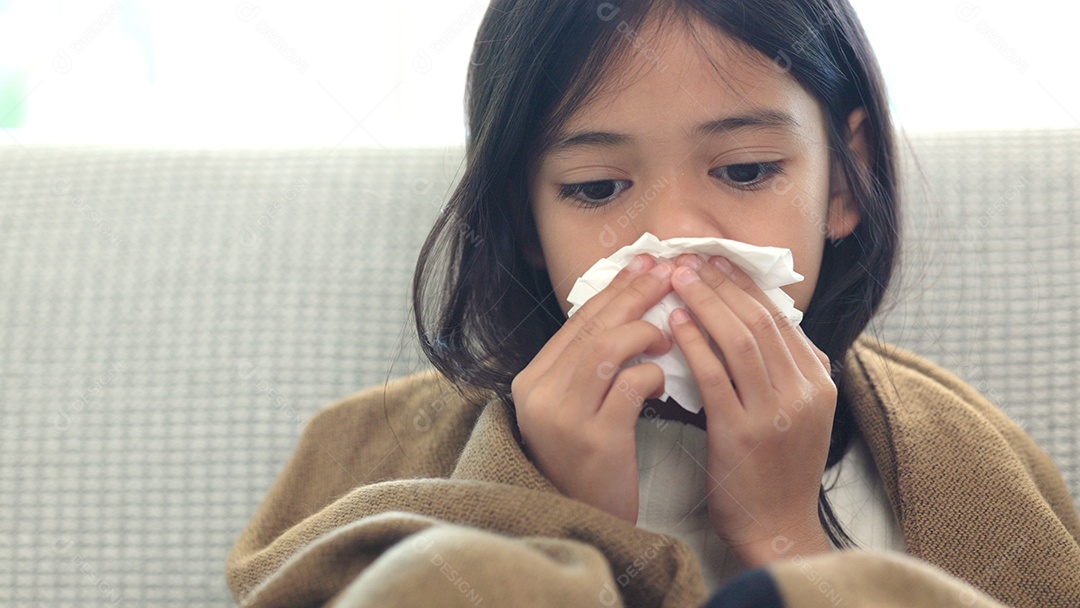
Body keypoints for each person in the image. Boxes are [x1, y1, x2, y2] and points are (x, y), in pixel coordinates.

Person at [226, 1, 1080, 606]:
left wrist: (784, 539)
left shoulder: (963, 463)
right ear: (527, 218)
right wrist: (558, 524)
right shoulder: (368, 454)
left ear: (845, 177)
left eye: (745, 171)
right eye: (596, 188)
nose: (673, 237)